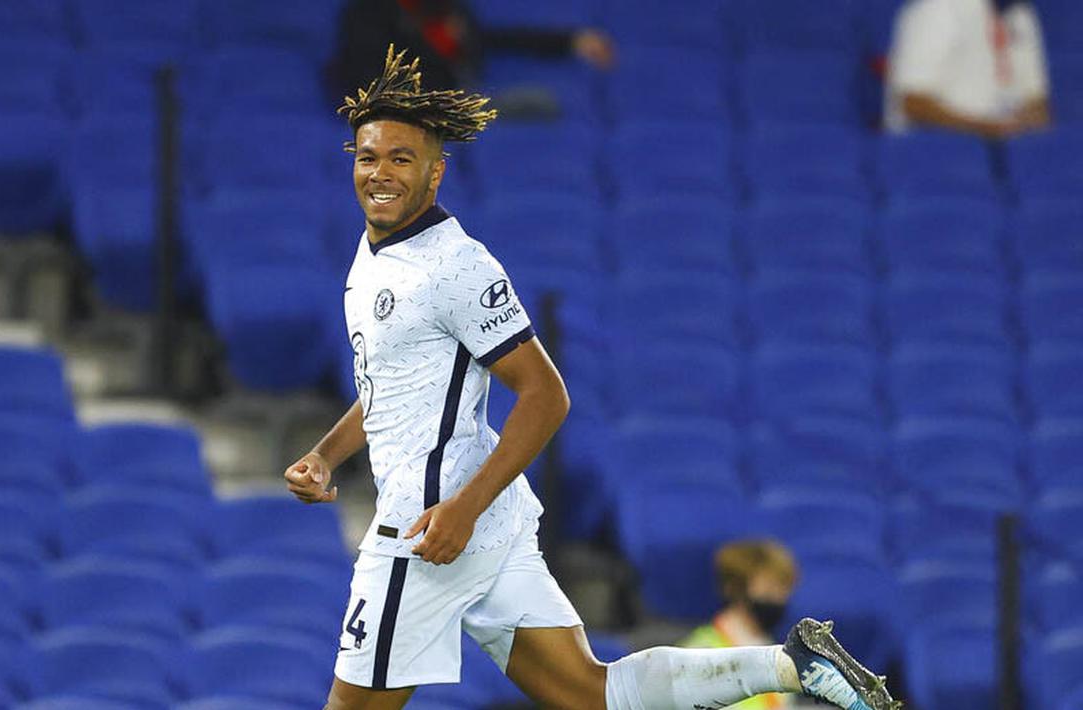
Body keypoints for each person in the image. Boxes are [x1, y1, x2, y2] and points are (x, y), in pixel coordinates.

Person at [285, 45, 902, 710]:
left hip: (430, 528)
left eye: (401, 159)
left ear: (436, 173)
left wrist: (462, 510)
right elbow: (392, 389)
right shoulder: (372, 254)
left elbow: (545, 395)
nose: (380, 173)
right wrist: (326, 455)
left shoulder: (455, 266)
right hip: (470, 520)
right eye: (368, 157)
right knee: (589, 693)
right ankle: (789, 664)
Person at [327, 0, 614, 102]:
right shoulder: (369, 14)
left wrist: (570, 41)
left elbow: (496, 38)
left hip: (462, 107)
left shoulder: (450, 10)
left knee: (540, 104)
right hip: (415, 114)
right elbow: (369, 76)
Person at [885, 0, 1052, 137]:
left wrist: (1027, 120)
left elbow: (1036, 99)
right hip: (933, 147)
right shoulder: (935, 8)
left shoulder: (1021, 13)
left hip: (1002, 143)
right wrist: (985, 128)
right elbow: (911, 103)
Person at [681, 541, 802, 709]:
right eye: (768, 589)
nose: (778, 599)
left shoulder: (779, 655)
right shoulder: (700, 654)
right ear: (736, 589)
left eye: (783, 590)